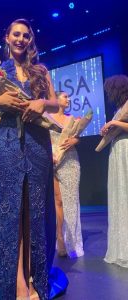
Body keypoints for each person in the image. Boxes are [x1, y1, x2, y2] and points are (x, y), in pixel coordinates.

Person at [0, 19, 68, 300]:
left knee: (35, 213)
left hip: (38, 143)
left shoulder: (40, 70)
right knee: (12, 214)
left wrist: (42, 104)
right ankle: (16, 282)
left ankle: (36, 279)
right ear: (7, 38)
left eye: (25, 35)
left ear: (30, 39)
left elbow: (57, 103)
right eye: (15, 34)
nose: (20, 39)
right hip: (7, 142)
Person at [50, 91, 84, 258]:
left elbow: (77, 137)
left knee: (71, 201)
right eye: (65, 97)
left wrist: (74, 140)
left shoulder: (73, 119)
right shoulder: (47, 117)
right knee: (58, 201)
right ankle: (60, 238)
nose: (68, 99)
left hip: (70, 162)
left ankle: (73, 240)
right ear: (56, 99)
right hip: (53, 161)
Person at [101, 75, 128, 268]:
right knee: (120, 196)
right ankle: (122, 246)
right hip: (117, 150)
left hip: (127, 148)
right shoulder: (120, 108)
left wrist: (114, 124)